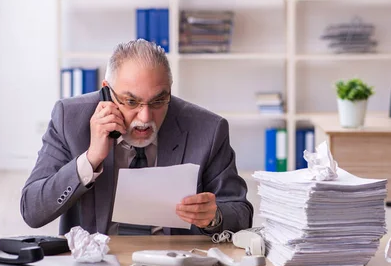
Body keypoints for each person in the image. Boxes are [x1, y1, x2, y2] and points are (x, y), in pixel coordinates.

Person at [21, 39, 253, 236]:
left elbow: (241, 213)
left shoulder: (208, 129)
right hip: (97, 265)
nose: (145, 117)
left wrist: (214, 217)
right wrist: (90, 159)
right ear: (106, 92)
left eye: (158, 101)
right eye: (131, 102)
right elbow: (32, 210)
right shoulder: (69, 119)